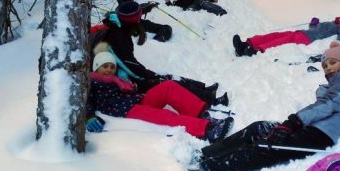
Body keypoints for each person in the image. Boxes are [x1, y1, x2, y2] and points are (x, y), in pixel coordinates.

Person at [190, 42, 340, 171]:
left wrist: (294, 122)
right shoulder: (338, 82)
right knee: (259, 128)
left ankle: (216, 167)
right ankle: (208, 153)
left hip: (321, 135)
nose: (328, 67)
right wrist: (291, 124)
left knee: (270, 147)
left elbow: (329, 104)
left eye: (332, 62)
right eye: (325, 65)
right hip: (311, 126)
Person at [90, 0, 229, 106]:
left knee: (168, 76)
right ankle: (211, 100)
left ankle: (204, 90)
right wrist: (150, 75)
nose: (140, 20)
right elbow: (130, 66)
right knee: (166, 81)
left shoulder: (119, 23)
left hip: (124, 73)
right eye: (138, 18)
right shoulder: (118, 35)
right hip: (124, 81)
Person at [86, 51, 234, 142]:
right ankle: (206, 130)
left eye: (112, 66)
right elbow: (87, 101)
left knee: (169, 86)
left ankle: (203, 116)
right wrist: (89, 116)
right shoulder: (91, 82)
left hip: (137, 101)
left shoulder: (117, 80)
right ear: (96, 67)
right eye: (105, 66)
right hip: (125, 110)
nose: (109, 70)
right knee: (165, 115)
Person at [232, 10, 340, 57]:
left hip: (307, 38)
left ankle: (255, 50)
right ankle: (247, 43)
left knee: (279, 41)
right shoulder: (333, 22)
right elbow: (314, 28)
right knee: (276, 35)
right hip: (304, 33)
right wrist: (314, 23)